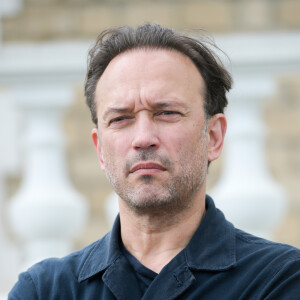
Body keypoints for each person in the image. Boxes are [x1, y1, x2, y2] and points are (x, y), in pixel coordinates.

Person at [9, 24, 300, 300]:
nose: (143, 138)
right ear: (99, 149)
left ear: (213, 137)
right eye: (121, 118)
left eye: (167, 113)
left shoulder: (278, 279)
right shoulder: (46, 289)